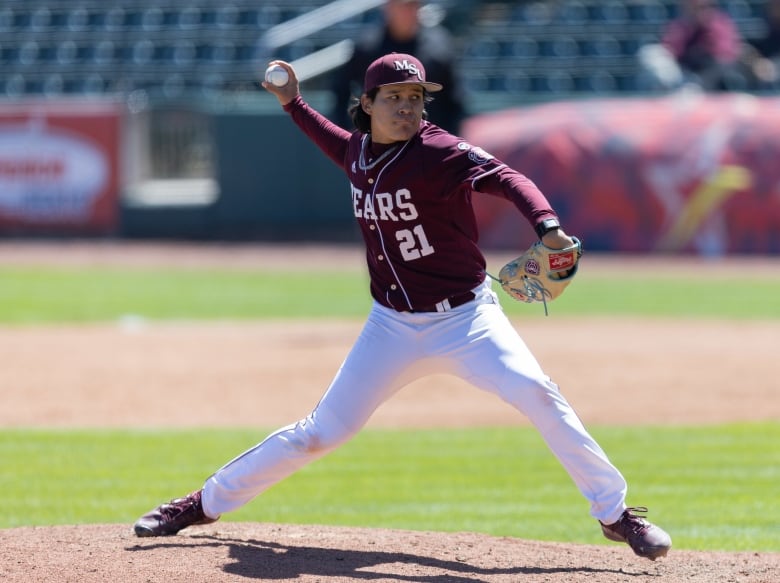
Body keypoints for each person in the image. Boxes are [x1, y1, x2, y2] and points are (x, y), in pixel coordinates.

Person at [134, 52, 672, 562]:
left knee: (537, 392)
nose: (408, 106)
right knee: (321, 431)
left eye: (416, 96)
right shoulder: (359, 153)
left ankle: (615, 513)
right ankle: (201, 504)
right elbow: (333, 141)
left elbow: (510, 178)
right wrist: (292, 102)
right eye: (394, 96)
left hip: (467, 320)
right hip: (390, 326)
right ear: (367, 103)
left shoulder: (439, 152)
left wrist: (548, 226)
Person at [329, 0, 466, 135]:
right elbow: (341, 88)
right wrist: (347, 131)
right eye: (400, 5)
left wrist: (448, 140)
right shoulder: (367, 46)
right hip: (378, 142)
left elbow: (455, 98)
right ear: (388, 7)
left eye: (411, 5)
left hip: (428, 142)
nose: (406, 11)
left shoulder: (439, 45)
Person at [636, 0, 749, 92]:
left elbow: (724, 60)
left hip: (710, 80)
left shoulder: (720, 25)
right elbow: (669, 50)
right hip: (684, 78)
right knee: (650, 53)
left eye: (705, 7)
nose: (702, 11)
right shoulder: (683, 25)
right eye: (696, 7)